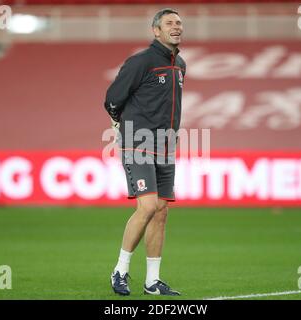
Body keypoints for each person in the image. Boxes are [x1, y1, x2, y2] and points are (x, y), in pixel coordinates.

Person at [103, 8, 186, 296]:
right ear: (156, 31)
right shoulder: (141, 61)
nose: (176, 27)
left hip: (165, 145)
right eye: (169, 23)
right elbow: (113, 98)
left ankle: (152, 281)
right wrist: (121, 124)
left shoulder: (180, 65)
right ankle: (120, 270)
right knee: (148, 206)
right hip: (138, 142)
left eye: (179, 23)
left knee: (161, 211)